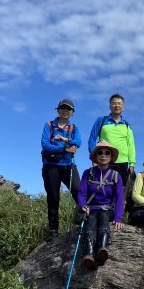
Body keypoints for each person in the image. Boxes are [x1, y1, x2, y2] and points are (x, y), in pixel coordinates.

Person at [78, 140, 124, 269]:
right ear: (96, 156)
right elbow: (82, 193)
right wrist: (83, 205)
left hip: (107, 209)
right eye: (100, 152)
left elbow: (120, 197)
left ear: (111, 157)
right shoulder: (88, 173)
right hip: (90, 209)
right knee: (91, 220)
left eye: (107, 153)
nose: (103, 155)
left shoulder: (116, 175)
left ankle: (102, 249)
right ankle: (89, 255)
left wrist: (118, 218)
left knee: (103, 216)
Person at [41, 99, 81, 240]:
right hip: (51, 166)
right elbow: (45, 145)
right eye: (63, 108)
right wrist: (64, 149)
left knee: (79, 192)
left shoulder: (74, 128)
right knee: (53, 198)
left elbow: (78, 143)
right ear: (57, 110)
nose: (65, 110)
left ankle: (83, 219)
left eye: (68, 109)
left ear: (72, 112)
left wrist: (65, 140)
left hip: (68, 165)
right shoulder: (49, 125)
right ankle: (53, 231)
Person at [88, 93, 136, 186]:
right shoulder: (101, 120)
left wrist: (132, 164)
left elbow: (131, 144)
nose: (117, 106)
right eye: (114, 103)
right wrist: (94, 159)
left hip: (123, 162)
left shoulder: (126, 125)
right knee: (103, 189)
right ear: (110, 106)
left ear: (123, 107)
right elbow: (92, 139)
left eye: (119, 103)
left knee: (121, 192)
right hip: (105, 160)